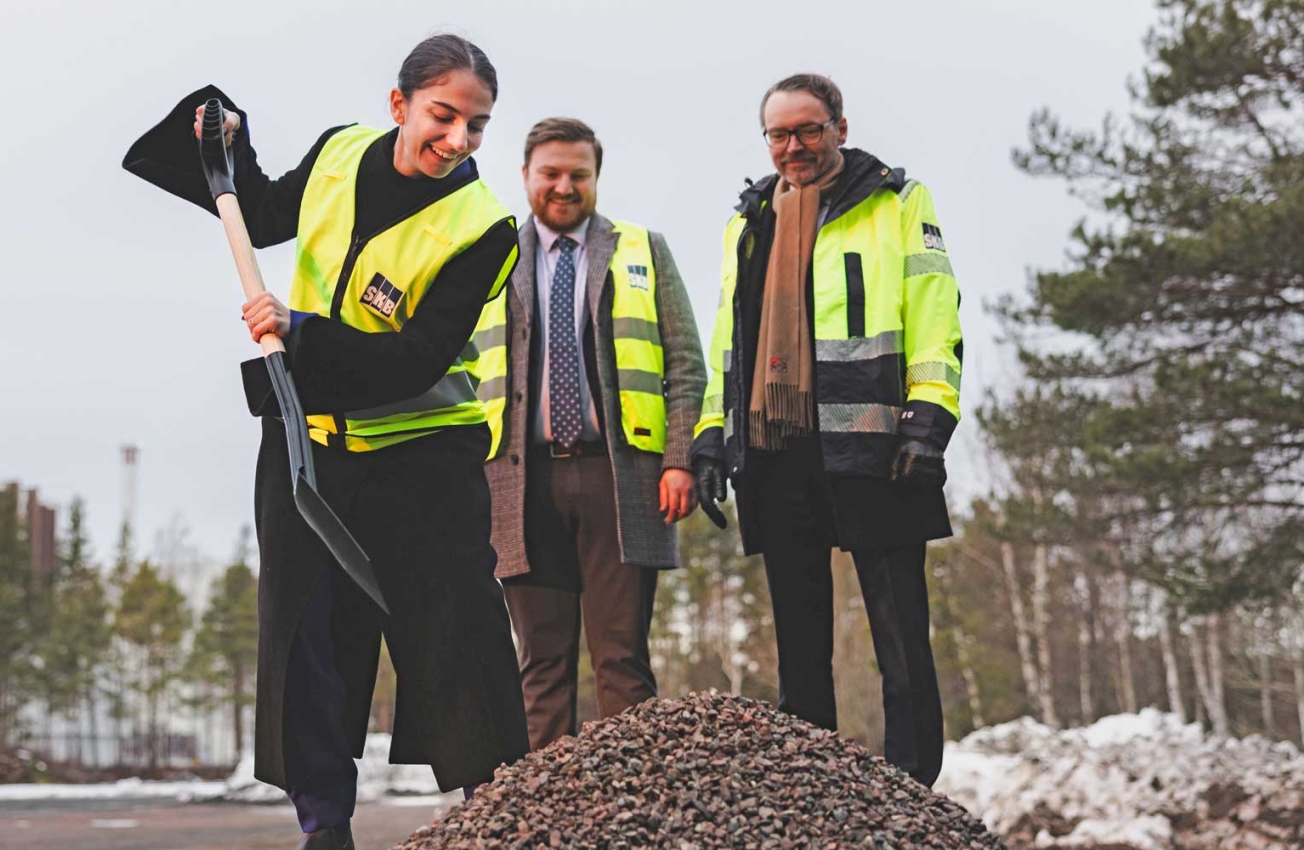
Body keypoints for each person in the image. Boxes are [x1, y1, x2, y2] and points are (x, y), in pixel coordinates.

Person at [123, 34, 529, 850]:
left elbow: (415, 359)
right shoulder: (342, 152)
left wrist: (301, 332)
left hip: (423, 457)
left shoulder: (485, 227)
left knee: (457, 633)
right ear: (399, 106)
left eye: (476, 125)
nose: (457, 139)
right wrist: (228, 146)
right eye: (443, 116)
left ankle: (502, 813)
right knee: (307, 635)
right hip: (306, 441)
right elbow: (268, 214)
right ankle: (325, 827)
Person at [691, 73, 964, 787]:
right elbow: (730, 336)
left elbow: (936, 311)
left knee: (900, 631)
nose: (794, 147)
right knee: (799, 636)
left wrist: (928, 422)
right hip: (776, 447)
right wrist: (712, 435)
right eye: (779, 134)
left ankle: (913, 786)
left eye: (808, 129)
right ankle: (810, 787)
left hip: (878, 441)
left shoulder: (898, 202)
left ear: (841, 127)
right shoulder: (747, 221)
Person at [465, 118, 706, 750]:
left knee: (622, 658)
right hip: (517, 480)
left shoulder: (643, 249)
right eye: (551, 173)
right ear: (525, 177)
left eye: (579, 174)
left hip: (622, 476)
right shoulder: (489, 256)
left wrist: (679, 459)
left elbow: (685, 363)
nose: (564, 186)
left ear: (596, 177)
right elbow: (456, 369)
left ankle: (632, 804)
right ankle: (543, 818)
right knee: (539, 664)